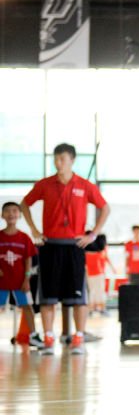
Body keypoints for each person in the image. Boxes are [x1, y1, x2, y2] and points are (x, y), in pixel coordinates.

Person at [21, 143, 110, 355]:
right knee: (48, 296)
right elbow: (25, 204)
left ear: (72, 160)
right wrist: (34, 229)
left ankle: (78, 337)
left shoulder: (85, 185)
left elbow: (104, 207)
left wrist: (93, 234)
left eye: (62, 159)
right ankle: (49, 338)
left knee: (78, 297)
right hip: (50, 245)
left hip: (75, 247)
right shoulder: (45, 184)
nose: (58, 163)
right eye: (56, 159)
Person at [0, 201, 38, 343]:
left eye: (15, 211)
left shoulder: (24, 238)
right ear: (2, 215)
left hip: (20, 281)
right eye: (8, 211)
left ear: (20, 215)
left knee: (27, 307)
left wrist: (27, 279)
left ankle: (34, 336)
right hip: (2, 281)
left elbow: (28, 259)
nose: (11, 214)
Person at [85, 245, 113, 316]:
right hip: (96, 273)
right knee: (98, 291)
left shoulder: (88, 251)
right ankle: (99, 309)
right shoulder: (98, 251)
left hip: (94, 273)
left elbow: (105, 259)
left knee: (94, 291)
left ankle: (94, 309)